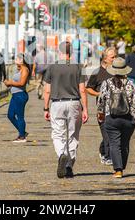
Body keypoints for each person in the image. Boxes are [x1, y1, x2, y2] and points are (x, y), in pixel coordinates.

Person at [43, 41, 89, 178]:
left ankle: (61, 154)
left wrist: (45, 108)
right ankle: (69, 165)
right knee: (73, 135)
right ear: (71, 53)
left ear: (59, 51)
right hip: (74, 103)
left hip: (57, 103)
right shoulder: (78, 67)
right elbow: (82, 90)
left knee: (58, 134)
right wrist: (85, 109)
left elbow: (46, 90)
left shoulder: (52, 67)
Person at [97, 57, 135, 178]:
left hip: (111, 117)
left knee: (114, 143)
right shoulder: (131, 83)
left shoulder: (107, 83)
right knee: (125, 143)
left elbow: (101, 100)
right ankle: (122, 165)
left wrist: (100, 113)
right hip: (128, 118)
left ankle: (118, 169)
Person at [86, 47, 116, 166]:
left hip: (116, 107)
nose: (114, 59)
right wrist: (99, 94)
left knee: (114, 133)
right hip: (102, 107)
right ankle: (106, 156)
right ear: (105, 59)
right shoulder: (97, 72)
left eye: (115, 56)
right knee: (106, 132)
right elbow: (88, 88)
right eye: (112, 57)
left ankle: (104, 150)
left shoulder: (117, 71)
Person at [4, 53, 31, 142]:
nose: (16, 59)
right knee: (10, 115)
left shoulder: (25, 70)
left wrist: (10, 82)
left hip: (20, 95)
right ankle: (22, 132)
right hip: (15, 95)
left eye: (18, 58)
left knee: (20, 116)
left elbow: (22, 83)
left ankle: (22, 136)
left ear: (22, 61)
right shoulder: (19, 69)